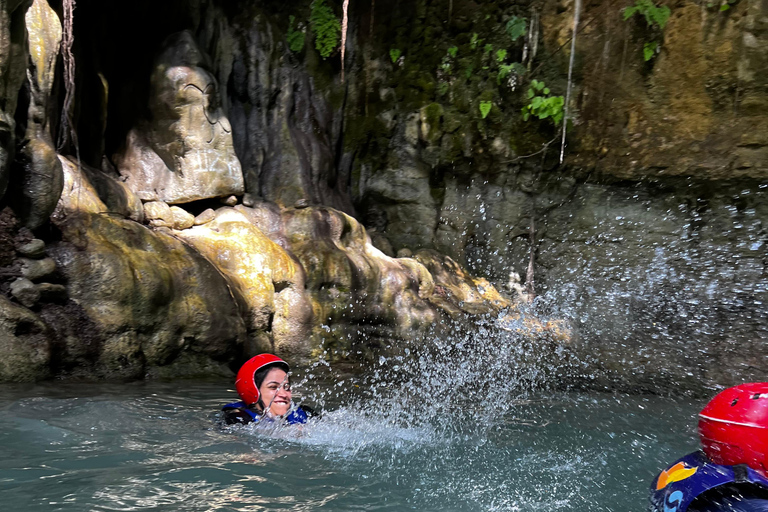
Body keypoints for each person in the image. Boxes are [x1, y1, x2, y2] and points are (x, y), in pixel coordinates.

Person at [221, 353, 317, 425]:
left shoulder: (306, 413)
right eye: (273, 387)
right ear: (253, 391)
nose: (283, 394)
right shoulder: (237, 419)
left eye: (286, 387)